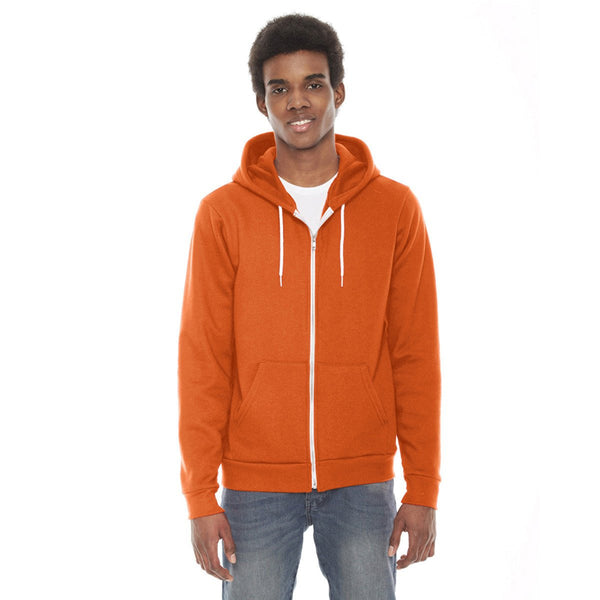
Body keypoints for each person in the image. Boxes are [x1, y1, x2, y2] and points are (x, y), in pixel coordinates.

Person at [178, 13, 441, 600]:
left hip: (363, 484)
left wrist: (422, 486)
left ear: (338, 92)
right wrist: (199, 495)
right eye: (280, 88)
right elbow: (203, 359)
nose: (298, 101)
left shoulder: (395, 209)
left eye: (313, 84)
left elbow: (416, 355)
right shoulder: (222, 214)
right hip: (253, 487)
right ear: (262, 102)